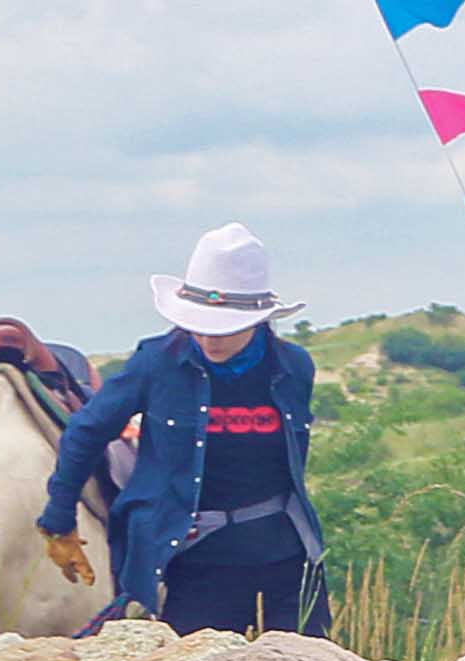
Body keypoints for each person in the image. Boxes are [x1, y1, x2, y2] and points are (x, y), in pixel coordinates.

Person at [39, 223, 331, 635]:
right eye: (199, 325)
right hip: (192, 563)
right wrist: (59, 518)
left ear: (258, 320)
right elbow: (87, 431)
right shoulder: (156, 363)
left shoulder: (294, 367)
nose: (210, 340)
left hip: (285, 558)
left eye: (225, 328)